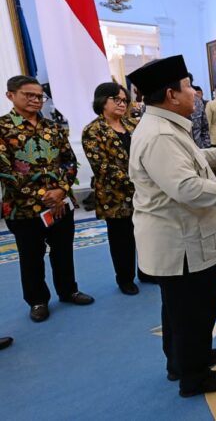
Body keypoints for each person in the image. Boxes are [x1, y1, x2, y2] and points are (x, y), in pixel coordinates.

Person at [127, 55, 216, 398]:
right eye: (189, 86)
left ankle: (183, 360)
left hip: (183, 237)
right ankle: (195, 376)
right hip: (181, 243)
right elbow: (187, 187)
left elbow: (191, 162)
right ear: (171, 94)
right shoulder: (160, 134)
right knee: (193, 310)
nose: (195, 93)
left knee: (180, 309)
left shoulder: (168, 124)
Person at [0, 75, 95, 323]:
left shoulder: (53, 127)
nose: (35, 100)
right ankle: (37, 301)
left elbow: (69, 160)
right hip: (23, 208)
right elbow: (5, 171)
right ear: (10, 95)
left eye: (39, 96)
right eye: (28, 95)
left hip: (61, 204)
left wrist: (62, 189)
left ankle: (68, 290)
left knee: (63, 251)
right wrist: (43, 195)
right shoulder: (2, 128)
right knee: (31, 256)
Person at [82, 82, 150, 295]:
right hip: (115, 196)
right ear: (102, 101)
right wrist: (136, 179)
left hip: (142, 193)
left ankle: (146, 271)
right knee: (122, 240)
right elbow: (102, 167)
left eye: (124, 100)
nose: (122, 104)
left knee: (145, 234)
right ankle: (125, 278)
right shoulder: (93, 130)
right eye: (117, 100)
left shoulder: (132, 125)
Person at [190, 83, 211, 149]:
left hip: (200, 148)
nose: (195, 93)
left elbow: (205, 127)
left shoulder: (199, 103)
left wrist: (206, 145)